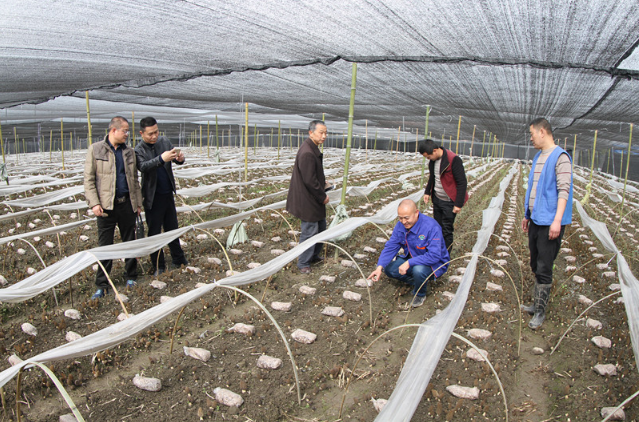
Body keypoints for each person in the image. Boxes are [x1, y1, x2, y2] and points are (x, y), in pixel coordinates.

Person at [521, 118, 573, 330]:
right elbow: (533, 187)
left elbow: (564, 190)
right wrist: (527, 214)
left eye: (532, 134)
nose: (531, 138)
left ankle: (540, 311)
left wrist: (557, 221)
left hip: (550, 222)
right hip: (535, 219)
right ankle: (536, 304)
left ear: (542, 132)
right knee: (535, 262)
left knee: (544, 266)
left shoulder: (560, 157)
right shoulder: (538, 157)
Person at [83, 116, 143, 299]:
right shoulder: (96, 149)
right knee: (105, 246)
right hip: (106, 207)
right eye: (124, 130)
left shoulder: (129, 152)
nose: (127, 134)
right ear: (113, 130)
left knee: (129, 241)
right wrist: (94, 203)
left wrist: (138, 203)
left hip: (127, 204)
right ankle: (102, 284)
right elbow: (89, 180)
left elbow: (134, 179)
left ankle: (131, 276)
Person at [367, 199, 450, 307]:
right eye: (400, 218)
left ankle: (420, 294)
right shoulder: (400, 226)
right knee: (390, 269)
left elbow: (434, 256)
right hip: (414, 257)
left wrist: (409, 263)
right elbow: (391, 246)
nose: (403, 221)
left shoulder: (431, 227)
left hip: (434, 263)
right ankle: (420, 282)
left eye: (406, 218)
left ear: (416, 213)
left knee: (418, 270)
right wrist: (379, 267)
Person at [135, 117, 189, 276]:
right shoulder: (139, 149)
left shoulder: (164, 141)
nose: (154, 136)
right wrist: (160, 159)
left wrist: (180, 159)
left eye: (156, 132)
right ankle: (158, 265)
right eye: (150, 134)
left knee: (172, 228)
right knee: (154, 232)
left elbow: (174, 158)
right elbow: (143, 167)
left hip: (167, 193)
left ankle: (179, 259)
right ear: (142, 133)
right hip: (152, 197)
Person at [286, 120, 330, 274]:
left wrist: (323, 182)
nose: (324, 136)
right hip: (307, 200)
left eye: (326, 133)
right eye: (321, 133)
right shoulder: (307, 152)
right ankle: (303, 262)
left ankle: (314, 255)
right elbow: (309, 181)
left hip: (312, 198)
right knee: (310, 231)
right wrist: (322, 195)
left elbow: (311, 175)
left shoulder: (312, 148)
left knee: (321, 227)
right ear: (311, 133)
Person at [419, 139, 468, 252]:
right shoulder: (433, 161)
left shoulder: (453, 160)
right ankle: (437, 251)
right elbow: (432, 177)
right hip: (437, 199)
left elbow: (462, 182)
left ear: (435, 151)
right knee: (437, 227)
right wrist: (427, 192)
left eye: (428, 157)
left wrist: (458, 204)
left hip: (449, 201)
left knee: (446, 229)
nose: (428, 159)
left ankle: (445, 256)